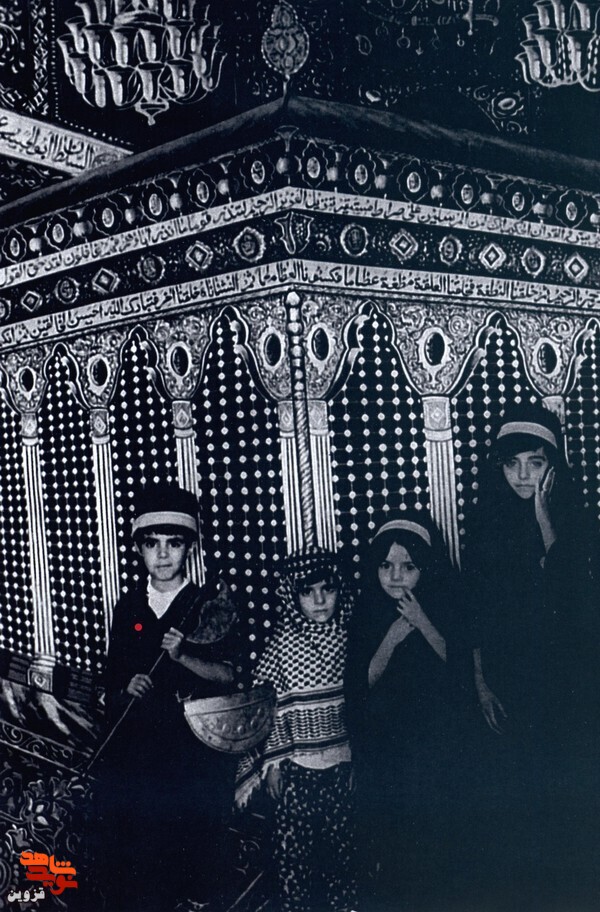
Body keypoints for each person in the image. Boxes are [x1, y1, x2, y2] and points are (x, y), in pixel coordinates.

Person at [461, 402, 600, 911]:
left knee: (564, 805)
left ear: (553, 468)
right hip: (505, 684)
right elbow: (473, 611)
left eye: (535, 463)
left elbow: (576, 601)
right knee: (513, 805)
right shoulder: (485, 524)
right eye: (512, 464)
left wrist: (544, 519)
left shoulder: (577, 524)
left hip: (565, 686)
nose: (522, 475)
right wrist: (480, 683)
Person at [93, 483, 239, 912]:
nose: (162, 554)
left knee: (187, 863)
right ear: (139, 549)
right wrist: (126, 688)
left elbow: (229, 675)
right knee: (136, 865)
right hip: (135, 755)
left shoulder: (206, 604)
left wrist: (183, 655)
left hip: (191, 756)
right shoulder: (128, 607)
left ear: (189, 548)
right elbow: (111, 680)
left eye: (173, 543)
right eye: (151, 544)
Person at [345, 511, 466, 912]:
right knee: (393, 848)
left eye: (408, 567)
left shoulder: (444, 606)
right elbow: (360, 685)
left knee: (435, 845)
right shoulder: (366, 613)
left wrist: (421, 621)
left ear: (425, 569)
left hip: (433, 751)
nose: (395, 576)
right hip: (386, 752)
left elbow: (460, 670)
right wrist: (392, 639)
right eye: (386, 566)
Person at [235, 546, 357, 912]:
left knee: (343, 859)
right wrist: (273, 762)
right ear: (293, 596)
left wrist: (360, 760)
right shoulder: (282, 645)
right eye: (307, 591)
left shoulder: (353, 638)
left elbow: (366, 706)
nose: (319, 600)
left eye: (327, 589)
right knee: (294, 862)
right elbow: (266, 709)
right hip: (296, 770)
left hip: (343, 769)